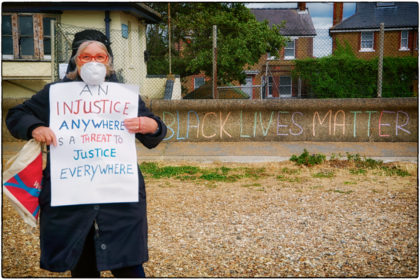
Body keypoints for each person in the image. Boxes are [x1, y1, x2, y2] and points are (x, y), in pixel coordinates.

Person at [6, 29, 167, 278]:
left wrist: (153, 126)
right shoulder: (56, 94)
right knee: (81, 261)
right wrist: (35, 127)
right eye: (86, 57)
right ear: (75, 61)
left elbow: (153, 130)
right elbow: (16, 115)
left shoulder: (124, 96)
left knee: (127, 262)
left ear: (108, 62)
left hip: (118, 192)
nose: (93, 62)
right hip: (71, 193)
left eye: (100, 57)